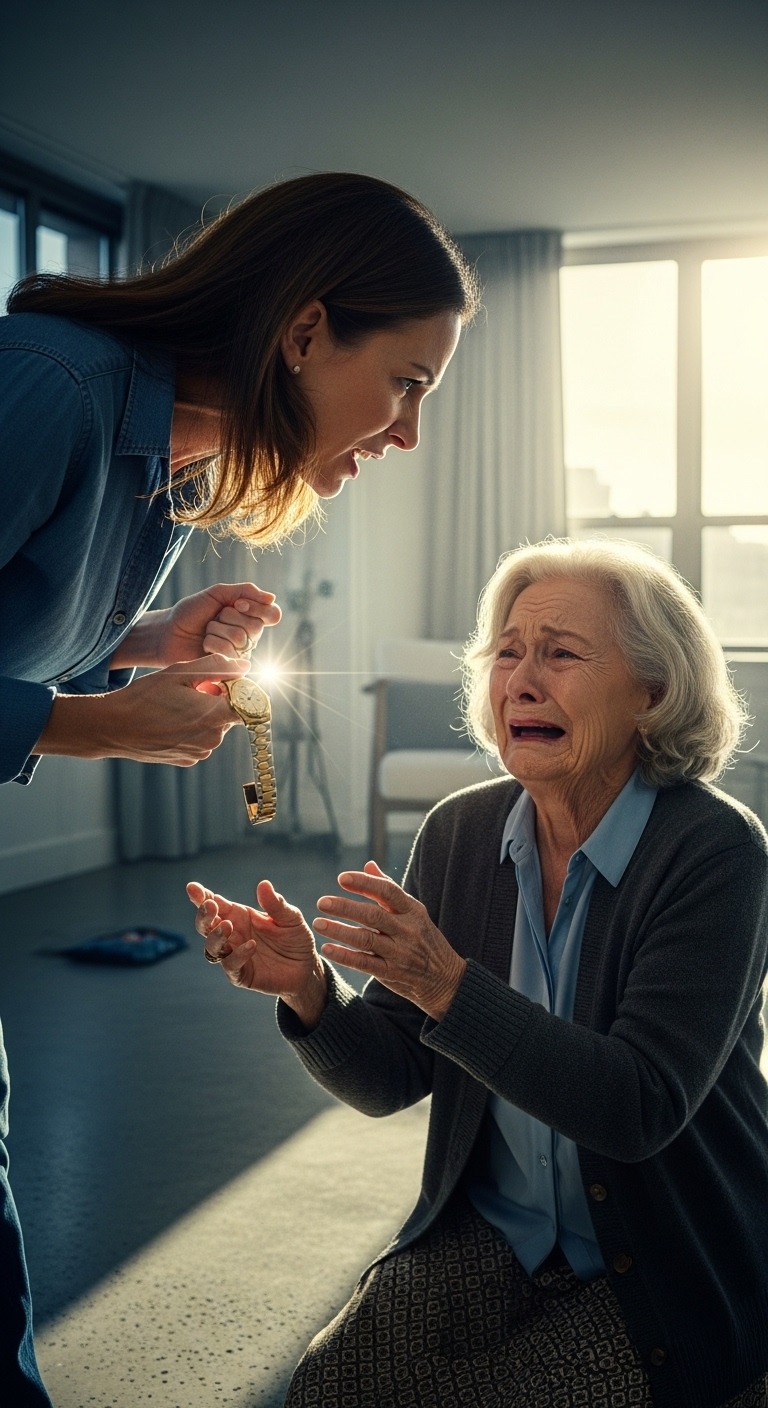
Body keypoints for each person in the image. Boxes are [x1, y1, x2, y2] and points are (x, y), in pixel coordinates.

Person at [0, 171, 479, 1405]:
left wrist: (151, 640)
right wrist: (94, 724)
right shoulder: (48, 387)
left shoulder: (165, 457)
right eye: (407, 385)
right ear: (307, 330)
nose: (409, 434)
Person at [189, 538, 768, 1408]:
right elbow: (394, 1075)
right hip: (494, 1231)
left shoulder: (716, 851)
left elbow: (637, 1105)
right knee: (327, 1392)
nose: (521, 680)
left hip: (669, 1260)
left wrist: (448, 985)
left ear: (652, 693)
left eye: (562, 653)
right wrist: (309, 992)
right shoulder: (461, 833)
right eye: (507, 650)